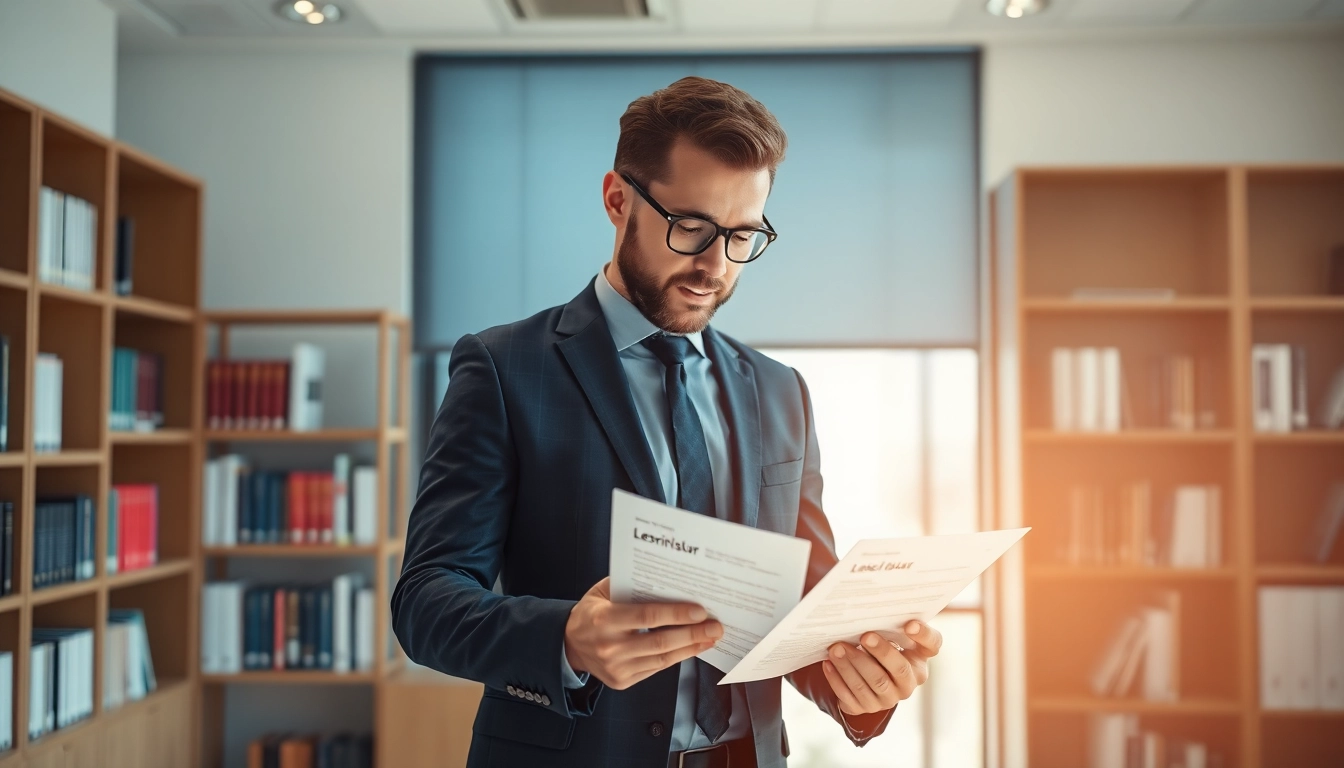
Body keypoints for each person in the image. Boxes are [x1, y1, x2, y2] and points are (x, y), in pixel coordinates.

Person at [391, 75, 941, 768]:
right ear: (618, 201)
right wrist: (565, 636)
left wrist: (859, 682)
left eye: (744, 236)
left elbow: (799, 616)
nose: (715, 265)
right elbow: (425, 601)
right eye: (692, 228)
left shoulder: (781, 393)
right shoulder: (505, 368)